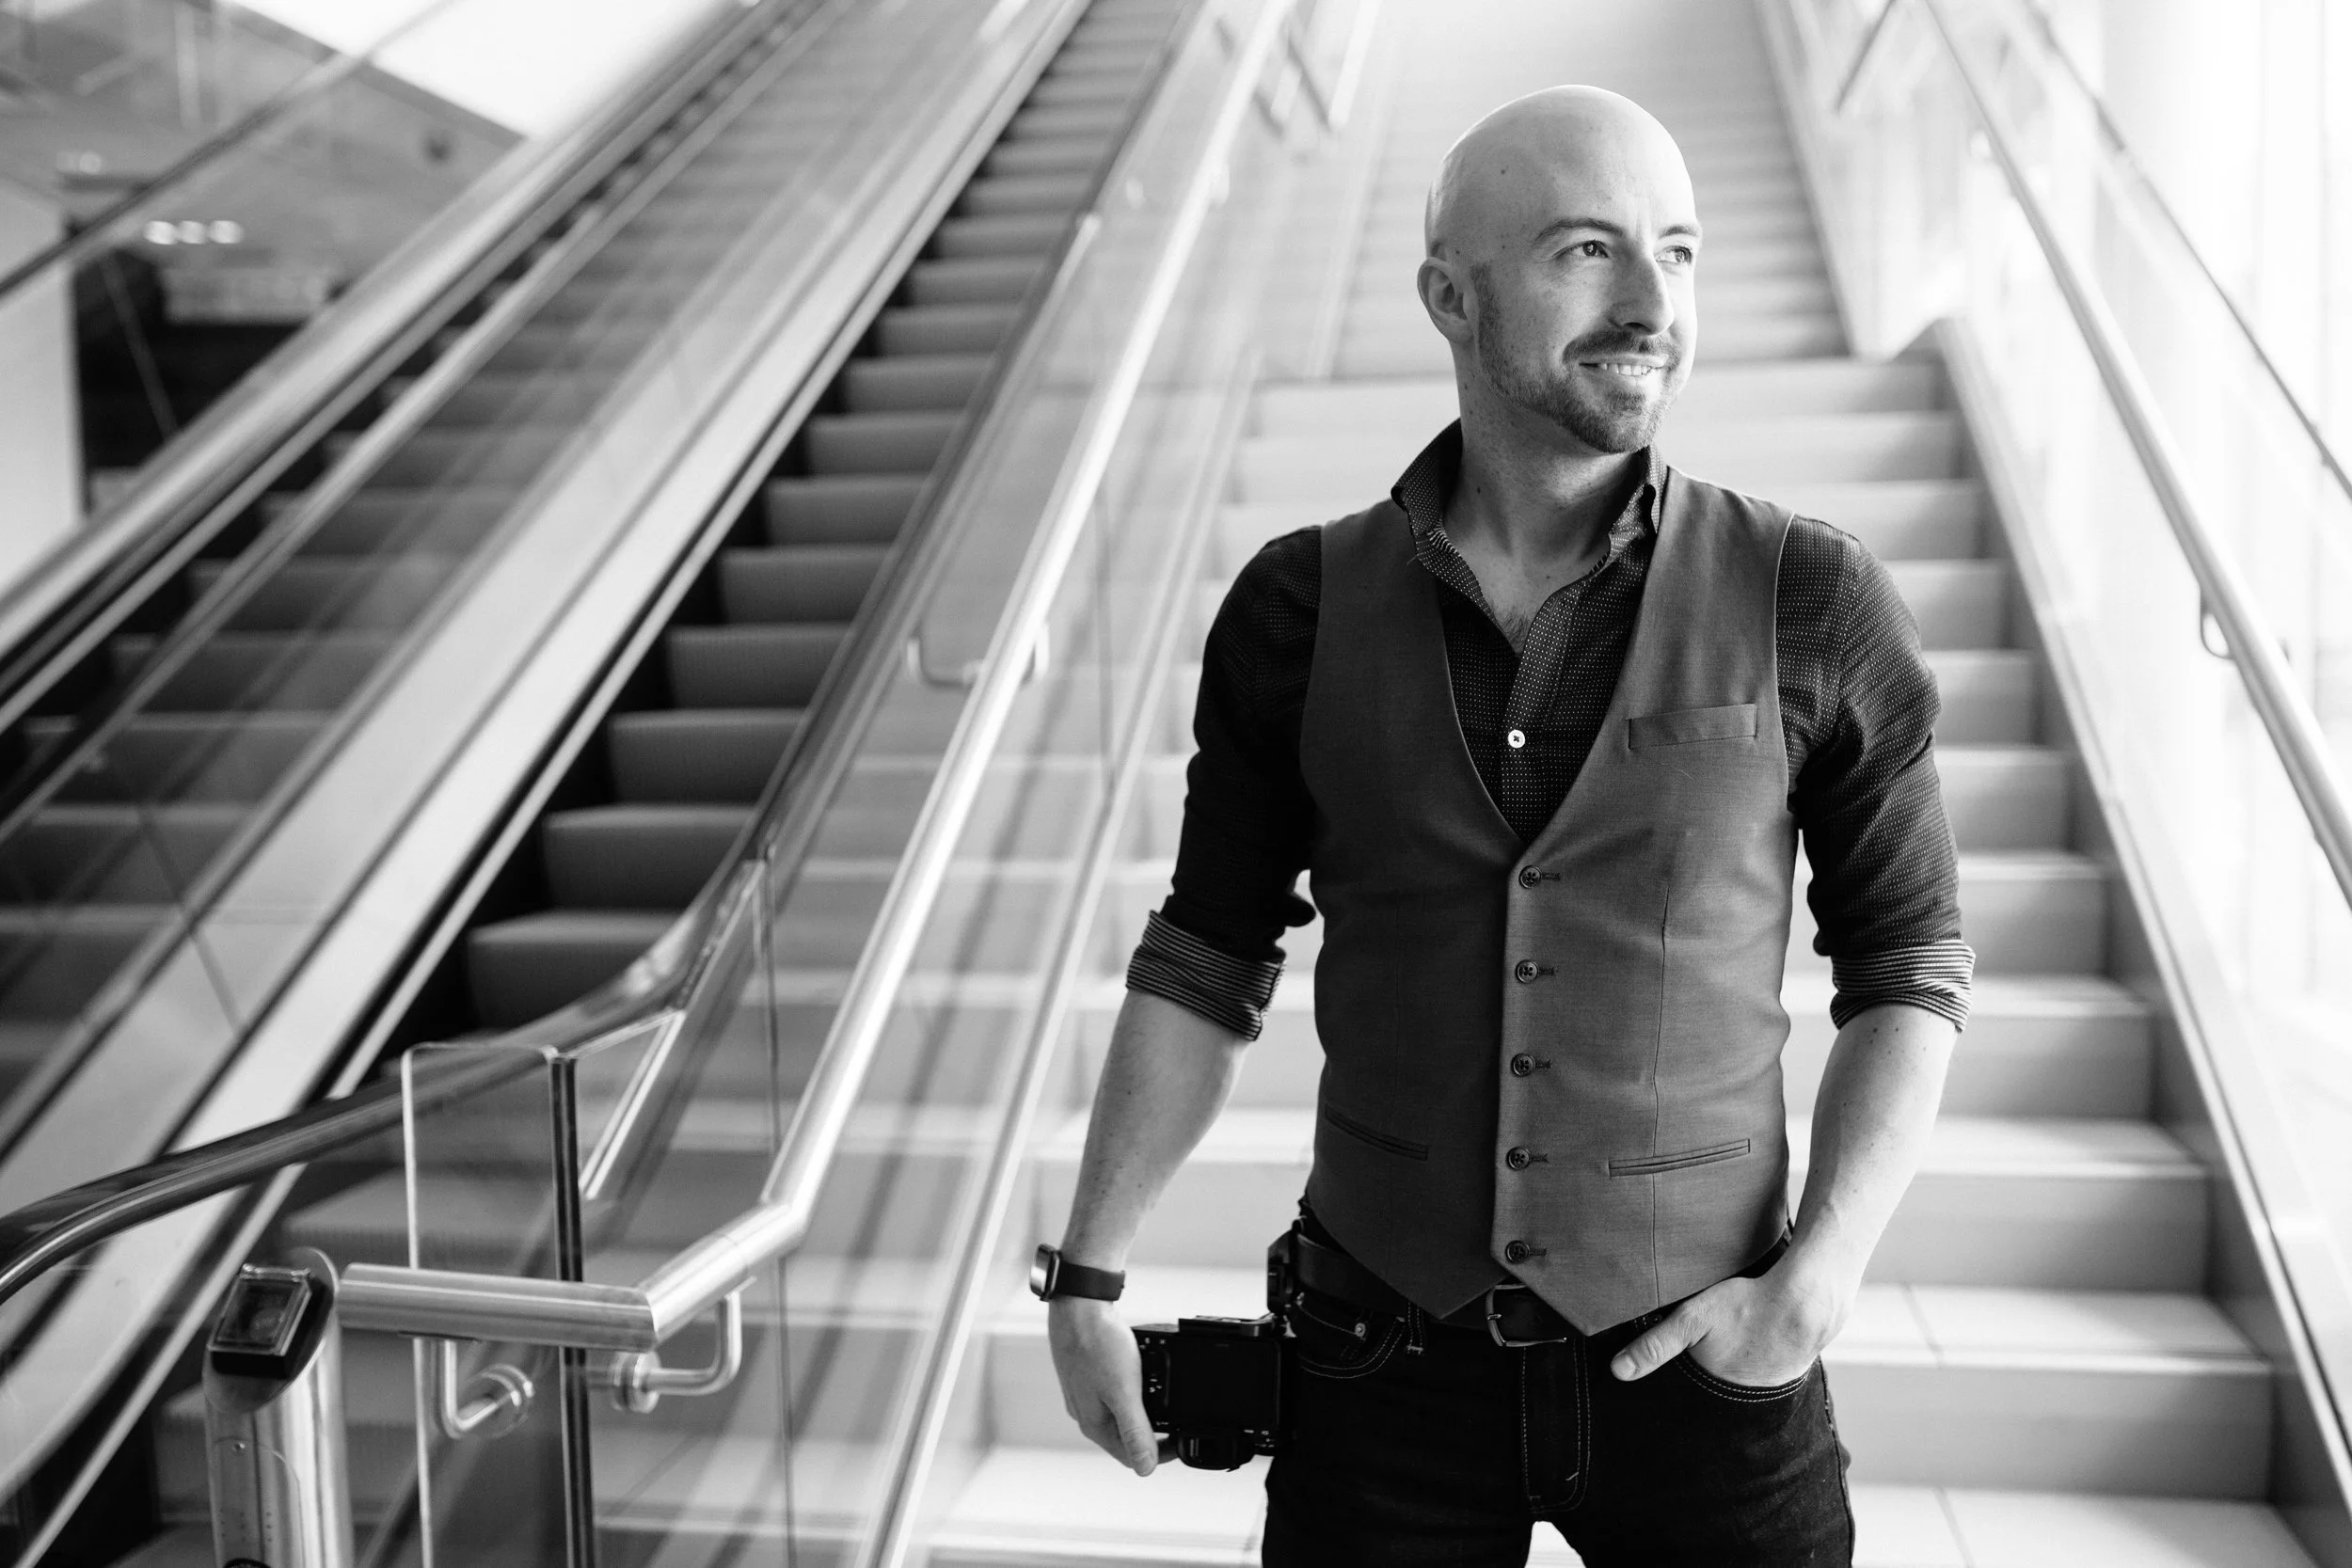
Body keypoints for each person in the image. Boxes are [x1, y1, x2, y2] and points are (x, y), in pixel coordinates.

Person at [1037, 85, 1972, 1566]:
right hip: (1374, 1360)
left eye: (1678, 250)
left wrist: (1815, 1282)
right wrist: (1086, 1271)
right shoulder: (1295, 608)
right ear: (1450, 296)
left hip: (1709, 1369)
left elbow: (1910, 960)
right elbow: (1208, 952)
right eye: (1586, 250)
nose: (1652, 301)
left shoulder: (1811, 595)